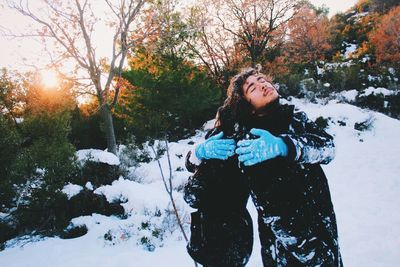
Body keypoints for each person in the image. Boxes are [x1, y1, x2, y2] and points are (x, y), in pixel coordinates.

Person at [185, 67, 343, 266]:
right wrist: (199, 152)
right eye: (252, 87)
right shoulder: (244, 139)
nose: (262, 85)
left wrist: (286, 146)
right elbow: (201, 174)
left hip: (323, 222)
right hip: (288, 246)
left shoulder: (294, 119)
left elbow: (328, 149)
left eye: (262, 80)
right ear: (248, 106)